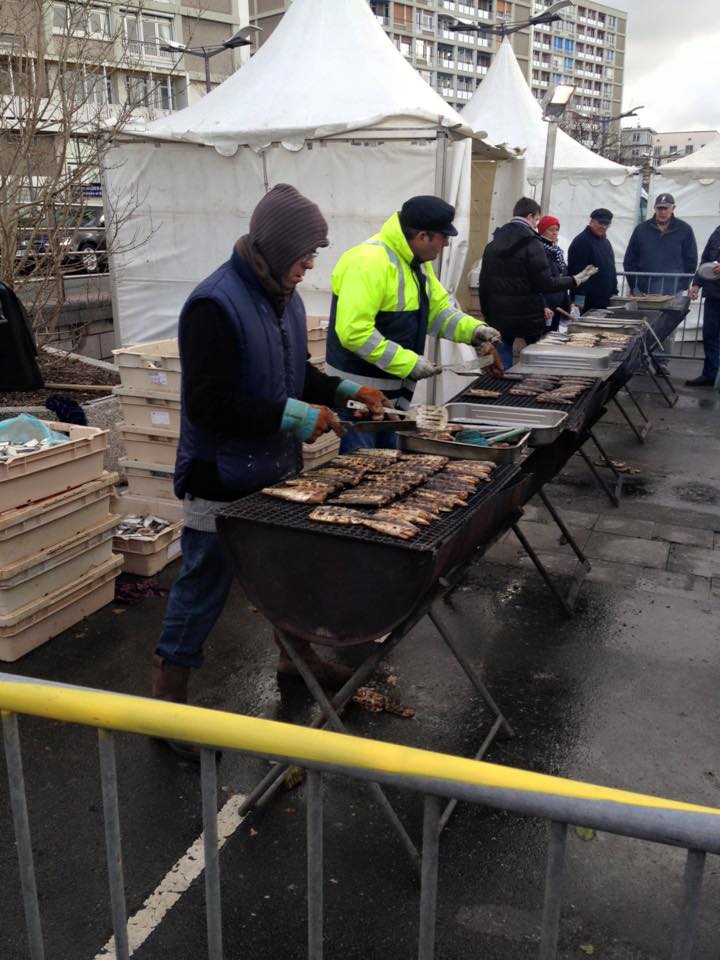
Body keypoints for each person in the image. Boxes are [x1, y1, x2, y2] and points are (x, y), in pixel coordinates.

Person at [152, 184, 391, 756]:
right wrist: (294, 416)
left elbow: (292, 370)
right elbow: (209, 405)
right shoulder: (215, 304)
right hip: (219, 473)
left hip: (272, 466)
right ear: (277, 247)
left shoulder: (280, 294)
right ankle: (165, 705)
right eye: (306, 255)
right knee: (204, 585)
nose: (311, 266)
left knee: (286, 572)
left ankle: (294, 659)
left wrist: (343, 386)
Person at [326, 195, 503, 451]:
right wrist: (410, 363)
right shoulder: (369, 261)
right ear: (422, 236)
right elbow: (354, 333)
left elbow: (437, 312)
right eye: (443, 237)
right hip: (361, 396)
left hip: (394, 394)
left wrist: (475, 331)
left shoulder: (416, 264)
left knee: (388, 465)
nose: (446, 243)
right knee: (362, 466)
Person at [478, 197, 593, 368]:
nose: (537, 224)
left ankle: (498, 387)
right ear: (530, 216)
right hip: (528, 314)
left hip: (498, 314)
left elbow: (483, 283)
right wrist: (574, 280)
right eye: (537, 219)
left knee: (501, 362)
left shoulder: (492, 244)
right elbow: (545, 283)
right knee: (538, 360)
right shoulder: (533, 244)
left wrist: (487, 313)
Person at [623, 194, 698, 297]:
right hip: (643, 290)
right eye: (660, 208)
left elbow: (691, 260)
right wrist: (634, 285)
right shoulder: (641, 229)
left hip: (673, 291)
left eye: (666, 208)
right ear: (654, 208)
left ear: (673, 208)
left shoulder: (685, 230)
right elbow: (630, 259)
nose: (663, 212)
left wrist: (683, 285)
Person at [686, 224, 720, 387]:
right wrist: (697, 284)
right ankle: (710, 374)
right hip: (714, 294)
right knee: (710, 336)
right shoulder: (717, 232)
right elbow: (705, 259)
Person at [567, 208, 618, 313]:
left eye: (607, 224)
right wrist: (579, 300)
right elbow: (577, 272)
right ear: (592, 222)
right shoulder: (582, 242)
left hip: (604, 300)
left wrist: (614, 291)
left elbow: (611, 269)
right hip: (588, 302)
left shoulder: (606, 242)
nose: (603, 226)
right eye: (601, 223)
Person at [537, 215, 572, 331]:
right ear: (542, 230)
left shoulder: (557, 252)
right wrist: (544, 305)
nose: (555, 233)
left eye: (557, 230)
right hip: (547, 304)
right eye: (551, 230)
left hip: (559, 303)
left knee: (553, 333)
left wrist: (568, 302)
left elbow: (563, 277)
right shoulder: (540, 250)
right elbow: (539, 281)